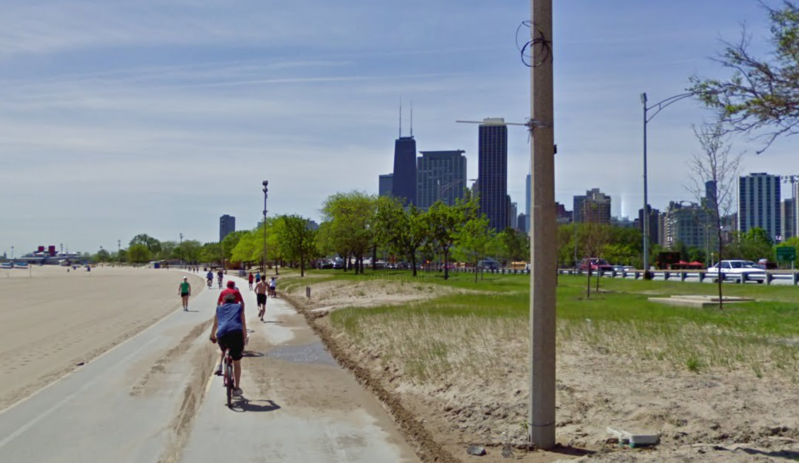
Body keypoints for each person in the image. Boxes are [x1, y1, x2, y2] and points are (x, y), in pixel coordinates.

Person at [210, 293, 247, 396]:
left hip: (222, 335)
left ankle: (219, 365)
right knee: (236, 362)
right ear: (234, 301)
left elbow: (215, 324)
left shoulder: (219, 308)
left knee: (223, 349)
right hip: (236, 334)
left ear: (224, 301)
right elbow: (243, 323)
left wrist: (212, 335)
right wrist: (244, 337)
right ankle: (236, 388)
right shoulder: (239, 307)